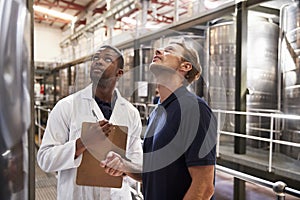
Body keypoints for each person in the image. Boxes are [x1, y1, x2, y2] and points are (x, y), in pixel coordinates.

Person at [101, 38, 217, 200]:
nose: (158, 51)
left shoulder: (194, 109)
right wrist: (124, 165)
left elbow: (204, 187)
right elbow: (153, 172)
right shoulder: (157, 113)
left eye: (169, 50)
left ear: (185, 66)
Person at [37, 45, 143, 200]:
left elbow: (137, 164)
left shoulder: (131, 113)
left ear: (119, 73)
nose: (98, 62)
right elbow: (45, 160)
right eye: (96, 58)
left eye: (107, 59)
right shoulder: (66, 106)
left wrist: (123, 166)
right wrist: (82, 143)